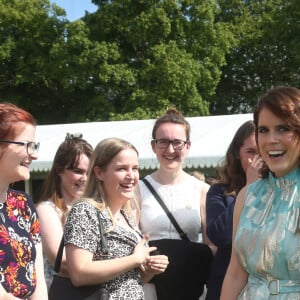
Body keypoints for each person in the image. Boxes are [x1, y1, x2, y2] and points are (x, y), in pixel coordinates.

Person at [63, 137, 169, 299]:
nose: (131, 176)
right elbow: (79, 273)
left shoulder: (127, 215)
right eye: (122, 169)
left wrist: (149, 271)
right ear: (99, 173)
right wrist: (135, 259)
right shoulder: (85, 211)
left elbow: (128, 280)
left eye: (135, 168)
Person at [221, 86, 300, 299]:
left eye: (283, 128)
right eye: (263, 130)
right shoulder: (247, 197)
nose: (270, 139)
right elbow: (235, 274)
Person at [138, 108, 214, 300]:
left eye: (177, 143)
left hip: (189, 286)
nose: (170, 150)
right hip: (149, 286)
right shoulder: (137, 190)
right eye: (163, 142)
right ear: (153, 146)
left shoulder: (202, 190)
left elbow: (211, 245)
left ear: (187, 146)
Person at [205, 120, 263, 300]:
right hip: (226, 284)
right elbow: (219, 235)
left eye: (262, 152)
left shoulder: (283, 190)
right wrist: (249, 189)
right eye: (251, 152)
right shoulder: (220, 190)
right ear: (237, 153)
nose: (258, 160)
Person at [0, 103, 48, 299]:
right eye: (27, 145)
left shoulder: (23, 205)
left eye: (34, 146)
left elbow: (38, 278)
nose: (34, 154)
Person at [35, 133, 93, 289]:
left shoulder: (94, 209)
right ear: (59, 170)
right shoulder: (47, 210)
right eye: (78, 171)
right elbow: (62, 263)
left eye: (89, 172)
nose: (85, 179)